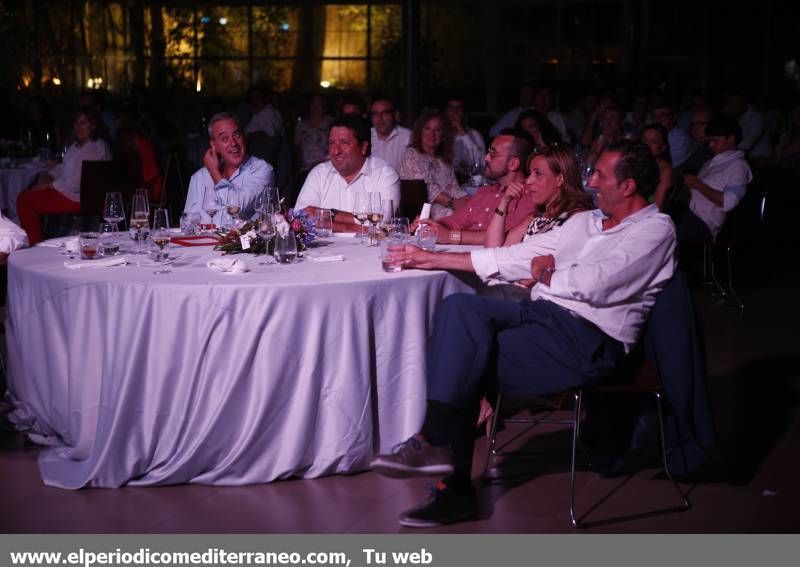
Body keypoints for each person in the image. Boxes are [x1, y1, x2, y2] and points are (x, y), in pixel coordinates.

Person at [370, 141, 677, 528]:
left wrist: (547, 273)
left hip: (589, 340)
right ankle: (436, 443)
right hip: (542, 315)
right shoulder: (586, 222)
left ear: (629, 186)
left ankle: (453, 482)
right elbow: (512, 258)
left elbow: (597, 284)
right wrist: (431, 258)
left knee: (465, 355)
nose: (591, 181)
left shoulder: (656, 229)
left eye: (600, 174)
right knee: (459, 310)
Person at [389, 145, 592, 299]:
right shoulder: (538, 215)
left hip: (537, 300)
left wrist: (433, 255)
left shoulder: (576, 220)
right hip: (512, 286)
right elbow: (494, 247)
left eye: (537, 174)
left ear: (560, 179)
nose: (529, 181)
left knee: (455, 302)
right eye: (530, 173)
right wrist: (504, 202)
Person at [414, 129, 534, 245]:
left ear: (513, 164)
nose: (486, 158)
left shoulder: (528, 196)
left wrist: (451, 236)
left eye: (493, 153)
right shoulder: (485, 192)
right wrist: (430, 226)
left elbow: (505, 235)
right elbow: (455, 221)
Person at [17, 106, 112, 245]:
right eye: (76, 122)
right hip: (70, 192)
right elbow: (63, 166)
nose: (78, 127)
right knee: (29, 193)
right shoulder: (78, 145)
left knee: (25, 200)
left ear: (93, 126)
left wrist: (49, 185)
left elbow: (75, 184)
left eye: (83, 123)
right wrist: (50, 176)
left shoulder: (93, 148)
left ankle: (34, 246)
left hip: (79, 198)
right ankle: (35, 242)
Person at [295, 114, 400, 232]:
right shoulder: (319, 173)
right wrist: (351, 228)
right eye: (331, 143)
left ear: (363, 147)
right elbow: (300, 218)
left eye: (344, 143)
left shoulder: (385, 174)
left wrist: (331, 215)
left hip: (367, 249)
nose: (336, 151)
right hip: (325, 249)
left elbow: (382, 223)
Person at [183, 112, 274, 225]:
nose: (233, 143)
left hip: (241, 243)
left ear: (243, 137)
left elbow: (236, 208)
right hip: (205, 242)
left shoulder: (262, 170)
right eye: (224, 138)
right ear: (214, 146)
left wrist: (214, 173)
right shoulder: (199, 178)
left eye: (236, 135)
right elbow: (187, 224)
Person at [676, 115, 752, 242]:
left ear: (731, 138)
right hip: (689, 213)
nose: (710, 145)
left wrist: (697, 184)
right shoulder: (711, 162)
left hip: (703, 223)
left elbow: (729, 202)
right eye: (709, 141)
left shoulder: (738, 166)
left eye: (715, 141)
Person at [399, 109, 469, 219]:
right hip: (427, 211)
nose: (431, 134)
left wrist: (467, 200)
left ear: (443, 135)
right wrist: (454, 203)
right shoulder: (411, 155)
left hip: (449, 205)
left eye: (437, 130)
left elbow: (453, 187)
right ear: (420, 132)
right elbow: (427, 188)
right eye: (427, 128)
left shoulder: (443, 159)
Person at [294, 93, 333, 189]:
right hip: (305, 170)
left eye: (319, 105)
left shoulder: (331, 124)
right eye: (313, 105)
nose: (315, 108)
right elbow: (296, 149)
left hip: (327, 169)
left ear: (324, 107)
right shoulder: (301, 126)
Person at [444, 97, 486, 178]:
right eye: (451, 108)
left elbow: (481, 163)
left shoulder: (475, 134)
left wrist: (464, 134)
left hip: (468, 180)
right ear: (446, 111)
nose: (455, 112)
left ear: (463, 112)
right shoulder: (438, 134)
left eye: (459, 108)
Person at [369, 97, 411, 172]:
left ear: (395, 115)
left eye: (385, 113)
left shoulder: (407, 137)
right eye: (375, 114)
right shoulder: (366, 136)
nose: (380, 118)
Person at [651, 100, 695, 170]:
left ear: (674, 117)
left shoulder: (681, 139)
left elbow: (665, 167)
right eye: (654, 116)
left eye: (663, 115)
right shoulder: (652, 135)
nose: (658, 119)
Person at [641, 123, 674, 211]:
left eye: (653, 142)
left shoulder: (665, 171)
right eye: (644, 141)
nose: (647, 145)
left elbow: (657, 208)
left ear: (663, 147)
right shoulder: (638, 163)